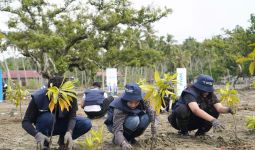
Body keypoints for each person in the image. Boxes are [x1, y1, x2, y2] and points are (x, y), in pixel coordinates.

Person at [22, 76, 92, 149]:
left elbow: (72, 117)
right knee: (48, 117)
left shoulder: (70, 96)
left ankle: (63, 141)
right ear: (49, 90)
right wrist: (37, 135)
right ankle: (45, 143)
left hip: (62, 124)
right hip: (45, 125)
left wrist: (69, 132)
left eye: (62, 95)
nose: (59, 96)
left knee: (85, 123)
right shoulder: (38, 97)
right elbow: (26, 122)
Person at [168, 74, 234, 137]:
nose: (206, 92)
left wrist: (229, 110)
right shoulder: (189, 92)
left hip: (196, 121)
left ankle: (201, 132)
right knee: (182, 109)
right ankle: (183, 132)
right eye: (204, 90)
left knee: (214, 110)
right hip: (178, 121)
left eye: (208, 90)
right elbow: (195, 110)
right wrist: (213, 120)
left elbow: (219, 108)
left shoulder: (210, 94)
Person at [104, 83, 156, 150]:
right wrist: (123, 143)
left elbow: (151, 111)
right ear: (126, 99)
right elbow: (117, 129)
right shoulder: (119, 106)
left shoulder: (143, 99)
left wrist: (153, 125)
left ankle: (130, 138)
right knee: (134, 120)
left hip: (131, 122)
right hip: (116, 126)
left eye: (136, 102)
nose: (133, 105)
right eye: (130, 102)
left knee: (147, 117)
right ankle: (119, 140)